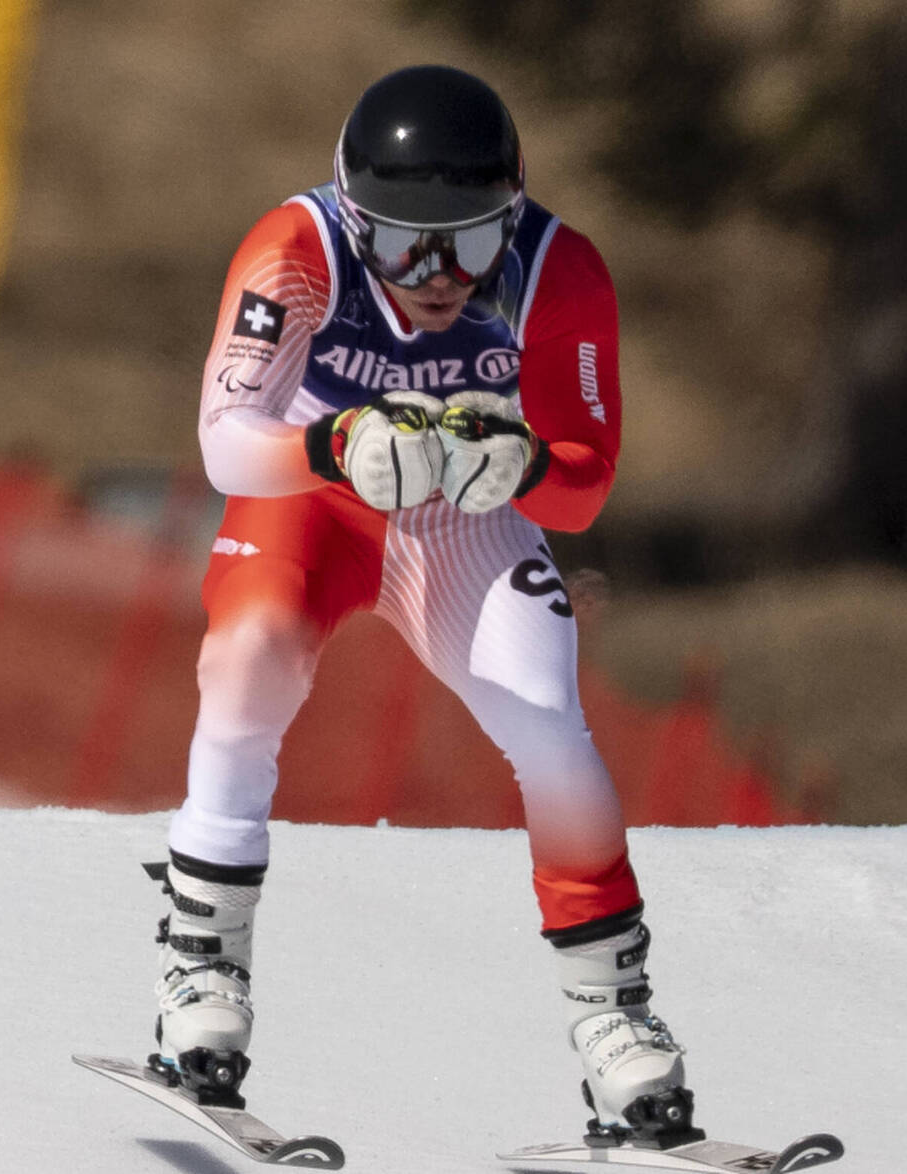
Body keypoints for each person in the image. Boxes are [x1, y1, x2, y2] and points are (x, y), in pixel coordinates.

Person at [144, 64, 699, 1148]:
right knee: (248, 659)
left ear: (516, 214)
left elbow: (585, 485)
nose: (436, 273)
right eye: (401, 244)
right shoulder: (293, 252)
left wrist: (523, 461)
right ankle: (201, 966)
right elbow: (223, 439)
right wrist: (331, 439)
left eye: (470, 240)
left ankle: (613, 1017)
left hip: (460, 516)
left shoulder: (559, 268)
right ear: (354, 222)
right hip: (316, 502)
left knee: (546, 712)